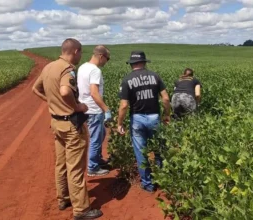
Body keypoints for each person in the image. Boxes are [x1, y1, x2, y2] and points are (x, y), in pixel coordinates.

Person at [32, 38, 103, 220]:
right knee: (76, 167)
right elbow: (65, 91)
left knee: (61, 164)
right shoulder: (67, 69)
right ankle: (81, 210)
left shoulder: (49, 67)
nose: (80, 57)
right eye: (81, 53)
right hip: (71, 125)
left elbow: (35, 89)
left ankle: (63, 198)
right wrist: (77, 107)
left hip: (56, 123)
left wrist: (52, 103)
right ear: (75, 51)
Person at [116, 51, 171, 193]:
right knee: (159, 149)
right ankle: (163, 179)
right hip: (154, 117)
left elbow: (123, 105)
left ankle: (148, 184)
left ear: (131, 64)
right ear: (145, 63)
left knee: (141, 152)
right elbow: (165, 98)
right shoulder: (155, 76)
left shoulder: (127, 80)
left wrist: (119, 123)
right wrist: (166, 115)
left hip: (137, 119)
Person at [77, 45, 111, 177]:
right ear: (101, 56)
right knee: (96, 139)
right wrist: (106, 109)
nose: (106, 62)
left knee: (101, 134)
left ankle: (97, 159)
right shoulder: (95, 70)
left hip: (85, 108)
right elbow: (94, 93)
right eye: (107, 59)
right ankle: (93, 167)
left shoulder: (82, 67)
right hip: (94, 110)